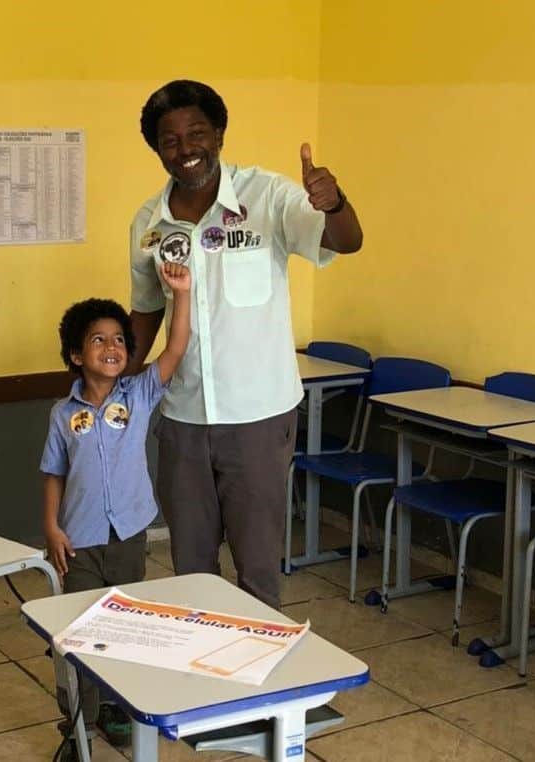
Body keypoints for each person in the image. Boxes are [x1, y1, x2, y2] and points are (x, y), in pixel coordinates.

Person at [127, 79, 363, 611]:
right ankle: (200, 682)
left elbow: (345, 241)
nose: (186, 149)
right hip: (182, 417)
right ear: (157, 150)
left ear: (220, 134)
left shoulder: (270, 197)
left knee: (257, 570)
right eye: (170, 140)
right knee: (190, 572)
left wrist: (336, 202)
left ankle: (263, 688)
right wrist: (113, 387)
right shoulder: (148, 222)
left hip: (258, 417)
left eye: (197, 133)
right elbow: (146, 310)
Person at [39, 262, 191, 758]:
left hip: (128, 534)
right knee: (78, 632)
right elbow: (54, 473)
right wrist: (51, 528)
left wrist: (180, 295)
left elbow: (175, 347)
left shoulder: (140, 394)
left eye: (119, 340)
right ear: (76, 354)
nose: (112, 348)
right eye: (99, 340)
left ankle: (115, 710)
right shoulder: (63, 415)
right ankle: (76, 723)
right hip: (79, 540)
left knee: (122, 626)